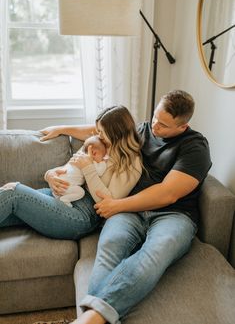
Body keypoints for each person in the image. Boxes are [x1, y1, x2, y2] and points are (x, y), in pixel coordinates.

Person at [52, 90, 209, 324]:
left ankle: (92, 318)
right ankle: (91, 318)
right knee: (110, 246)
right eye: (155, 117)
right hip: (129, 212)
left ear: (182, 126)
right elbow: (99, 131)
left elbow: (168, 193)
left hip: (174, 215)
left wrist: (116, 205)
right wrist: (62, 128)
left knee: (156, 252)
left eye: (164, 125)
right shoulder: (143, 130)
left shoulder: (195, 147)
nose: (155, 126)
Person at [0, 105, 142, 240]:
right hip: (63, 194)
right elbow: (70, 167)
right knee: (9, 199)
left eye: (101, 132)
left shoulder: (131, 162)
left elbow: (107, 204)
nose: (97, 134)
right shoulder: (98, 143)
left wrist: (88, 168)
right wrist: (50, 175)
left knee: (14, 193)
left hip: (82, 215)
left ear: (115, 134)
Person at [49, 135, 108, 207]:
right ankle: (65, 199)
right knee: (81, 192)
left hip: (58, 184)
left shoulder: (79, 157)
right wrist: (103, 162)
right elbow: (100, 172)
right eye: (103, 155)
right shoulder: (89, 161)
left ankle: (58, 196)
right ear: (94, 153)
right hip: (65, 186)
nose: (103, 158)